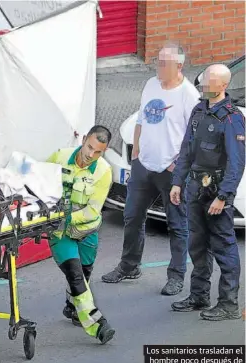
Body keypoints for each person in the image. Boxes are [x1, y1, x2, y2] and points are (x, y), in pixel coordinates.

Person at [101, 43, 201, 296]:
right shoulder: (151, 84)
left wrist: (178, 165)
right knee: (132, 218)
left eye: (163, 63)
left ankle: (176, 276)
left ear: (178, 66)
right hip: (143, 166)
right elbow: (141, 118)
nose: (158, 67)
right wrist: (136, 152)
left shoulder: (188, 95)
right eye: (157, 61)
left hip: (172, 172)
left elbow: (195, 137)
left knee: (177, 225)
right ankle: (129, 266)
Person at [169, 64, 245, 320]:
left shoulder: (233, 118)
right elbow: (187, 149)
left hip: (216, 193)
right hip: (194, 188)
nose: (203, 83)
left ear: (223, 85)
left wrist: (223, 197)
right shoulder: (199, 110)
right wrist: (177, 182)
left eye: (209, 81)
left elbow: (237, 163)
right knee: (197, 244)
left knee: (223, 246)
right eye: (203, 79)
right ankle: (199, 295)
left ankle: (229, 304)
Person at [47, 125, 115, 344]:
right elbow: (38, 183)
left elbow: (93, 210)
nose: (90, 155)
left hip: (87, 229)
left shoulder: (104, 171)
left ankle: (72, 306)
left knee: (83, 275)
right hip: (60, 231)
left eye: (98, 152)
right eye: (89, 147)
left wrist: (68, 218)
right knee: (75, 275)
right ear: (84, 139)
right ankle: (97, 325)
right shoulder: (60, 156)